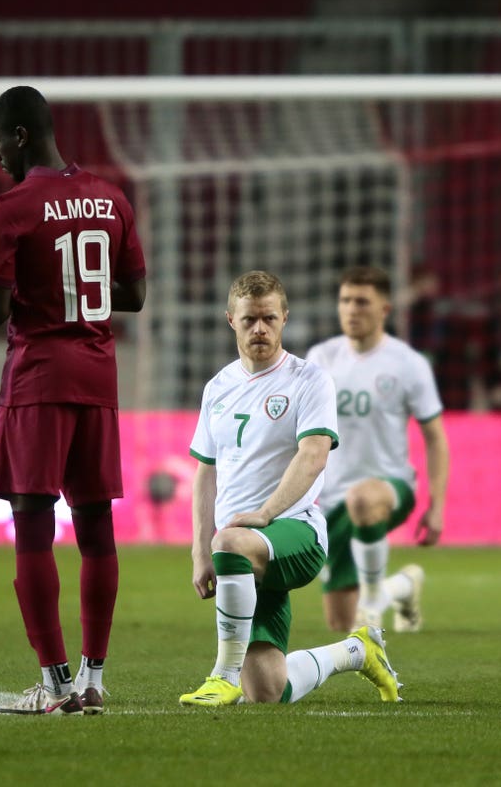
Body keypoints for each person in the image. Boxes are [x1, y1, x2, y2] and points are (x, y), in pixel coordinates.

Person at [0, 86, 146, 715]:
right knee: (97, 526)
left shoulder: (11, 209)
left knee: (33, 524)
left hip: (39, 378)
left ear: (20, 135)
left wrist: (37, 294)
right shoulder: (110, 196)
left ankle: (53, 686)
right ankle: (94, 679)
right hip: (98, 378)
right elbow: (134, 294)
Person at [179, 270, 401, 707]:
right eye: (249, 320)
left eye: (268, 319)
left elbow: (314, 454)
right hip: (241, 550)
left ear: (284, 318)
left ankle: (221, 675)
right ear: (230, 320)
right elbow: (205, 472)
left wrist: (264, 514)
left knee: (232, 540)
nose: (259, 328)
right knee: (266, 690)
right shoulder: (217, 388)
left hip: (294, 532)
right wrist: (200, 551)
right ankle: (357, 651)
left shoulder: (308, 380)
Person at [306, 266, 449, 633]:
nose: (352, 309)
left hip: (390, 486)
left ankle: (373, 602)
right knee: (341, 624)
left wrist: (436, 507)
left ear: (384, 309)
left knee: (364, 499)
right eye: (345, 300)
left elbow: (435, 437)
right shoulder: (321, 358)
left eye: (362, 302)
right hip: (333, 500)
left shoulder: (408, 364)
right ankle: (403, 586)